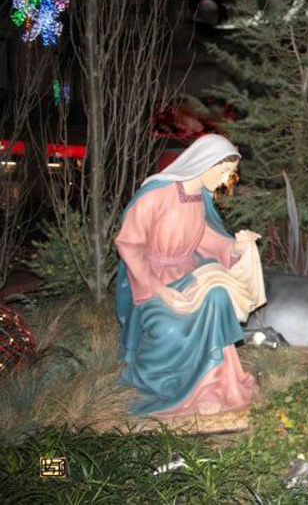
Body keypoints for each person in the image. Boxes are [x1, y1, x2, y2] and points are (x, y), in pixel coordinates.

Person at [115, 134, 266, 417]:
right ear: (204, 163)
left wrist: (237, 247)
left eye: (230, 174)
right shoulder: (157, 194)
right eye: (223, 171)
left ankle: (213, 384)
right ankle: (166, 385)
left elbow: (208, 240)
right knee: (170, 329)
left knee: (219, 296)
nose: (226, 181)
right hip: (154, 279)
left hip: (190, 274)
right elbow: (129, 244)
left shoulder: (199, 198)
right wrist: (159, 289)